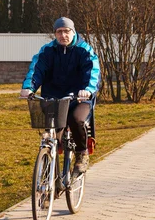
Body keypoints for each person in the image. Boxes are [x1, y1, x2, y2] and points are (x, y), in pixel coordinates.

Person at [20, 17, 100, 176]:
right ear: (55, 34)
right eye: (59, 32)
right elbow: (36, 71)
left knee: (76, 119)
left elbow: (93, 73)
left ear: (73, 31)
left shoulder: (84, 50)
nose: (63, 35)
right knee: (53, 136)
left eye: (66, 31)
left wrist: (87, 90)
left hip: (79, 98)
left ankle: (82, 154)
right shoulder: (47, 51)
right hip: (53, 98)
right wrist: (28, 88)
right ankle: (52, 177)